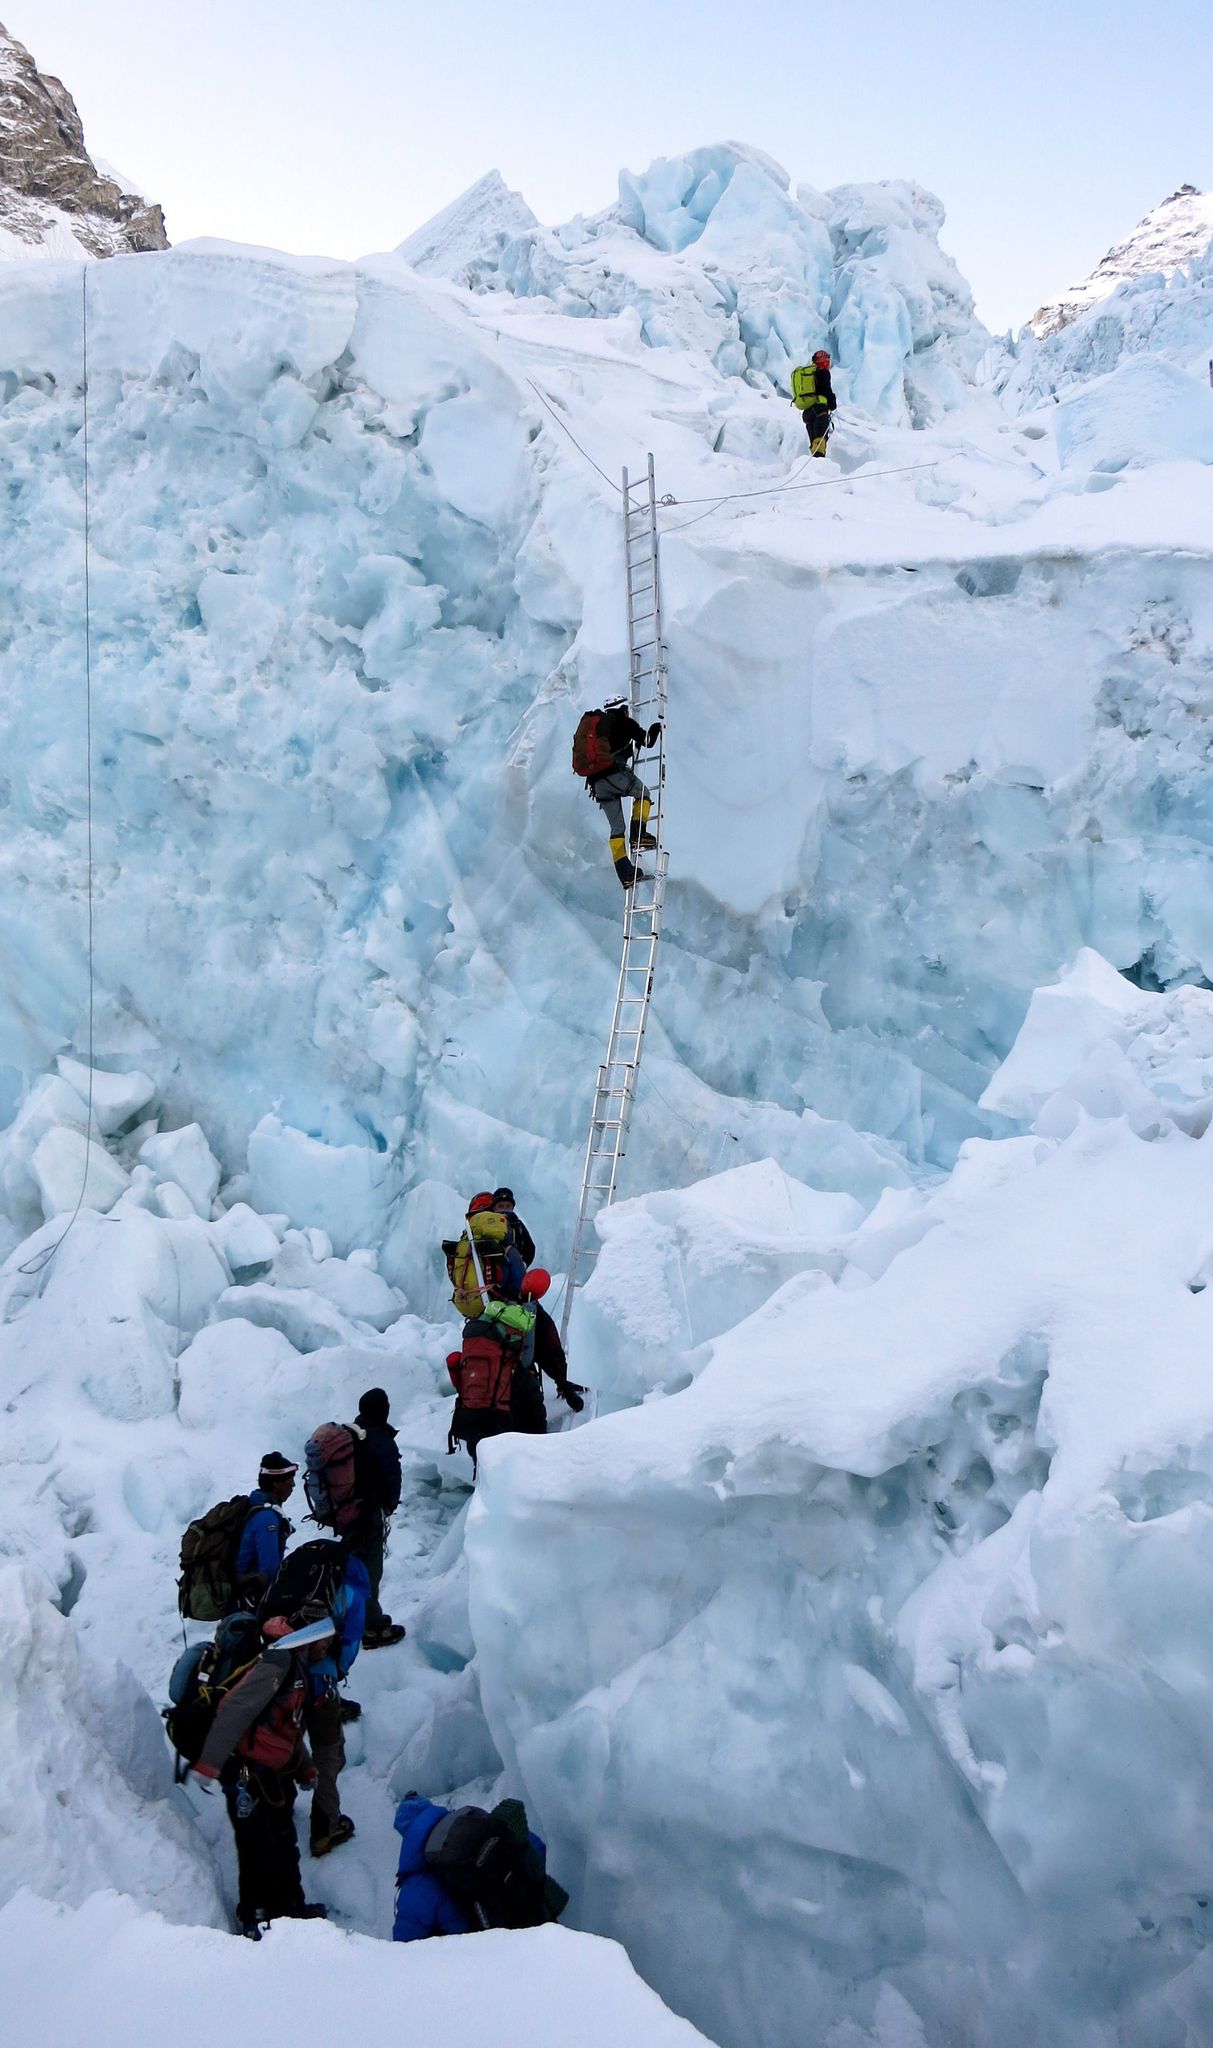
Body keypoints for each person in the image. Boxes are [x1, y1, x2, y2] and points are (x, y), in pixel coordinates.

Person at [192, 1615, 332, 1938]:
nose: (328, 1647)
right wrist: (208, 1764)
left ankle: (291, 1911)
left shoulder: (295, 1668)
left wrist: (304, 1767)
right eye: (325, 1639)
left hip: (271, 1773)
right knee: (256, 1845)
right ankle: (254, 1916)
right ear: (310, 1637)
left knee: (282, 1841)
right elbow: (234, 1709)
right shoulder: (277, 1664)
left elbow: (287, 1728)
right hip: (246, 1772)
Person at [392, 1794, 567, 1942]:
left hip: (485, 1951)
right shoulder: (474, 1824)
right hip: (531, 1912)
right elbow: (534, 1845)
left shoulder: (416, 1887)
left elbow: (405, 1950)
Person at [491, 1190, 585, 1415]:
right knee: (542, 1338)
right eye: (502, 1205)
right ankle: (563, 1384)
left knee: (525, 1344)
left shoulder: (484, 1236)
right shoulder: (514, 1228)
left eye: (507, 1205)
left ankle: (554, 1385)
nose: (505, 1209)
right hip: (518, 1298)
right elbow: (529, 1252)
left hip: (495, 1302)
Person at [573, 702, 662, 889]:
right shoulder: (624, 722)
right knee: (643, 793)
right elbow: (648, 741)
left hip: (597, 784)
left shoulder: (600, 730)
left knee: (617, 827)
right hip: (614, 776)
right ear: (623, 709)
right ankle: (639, 835)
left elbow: (615, 751)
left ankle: (626, 874)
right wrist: (655, 728)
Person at [346, 1389, 406, 1649]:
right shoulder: (381, 1439)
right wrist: (389, 1506)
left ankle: (350, 1617)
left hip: (346, 1513)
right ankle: (371, 1629)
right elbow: (392, 1479)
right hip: (368, 1515)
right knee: (368, 1571)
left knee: (350, 1567)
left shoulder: (351, 1433)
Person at [232, 1452, 297, 1609]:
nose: (293, 1485)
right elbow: (269, 1569)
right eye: (290, 1479)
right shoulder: (267, 1518)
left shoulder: (253, 1505)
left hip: (239, 1595)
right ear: (276, 1484)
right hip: (248, 1600)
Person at [791, 349, 837, 456]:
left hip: (808, 413)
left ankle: (813, 466)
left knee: (814, 442)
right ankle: (819, 464)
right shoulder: (823, 373)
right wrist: (832, 402)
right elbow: (826, 391)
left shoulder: (810, 375)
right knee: (820, 440)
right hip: (820, 411)